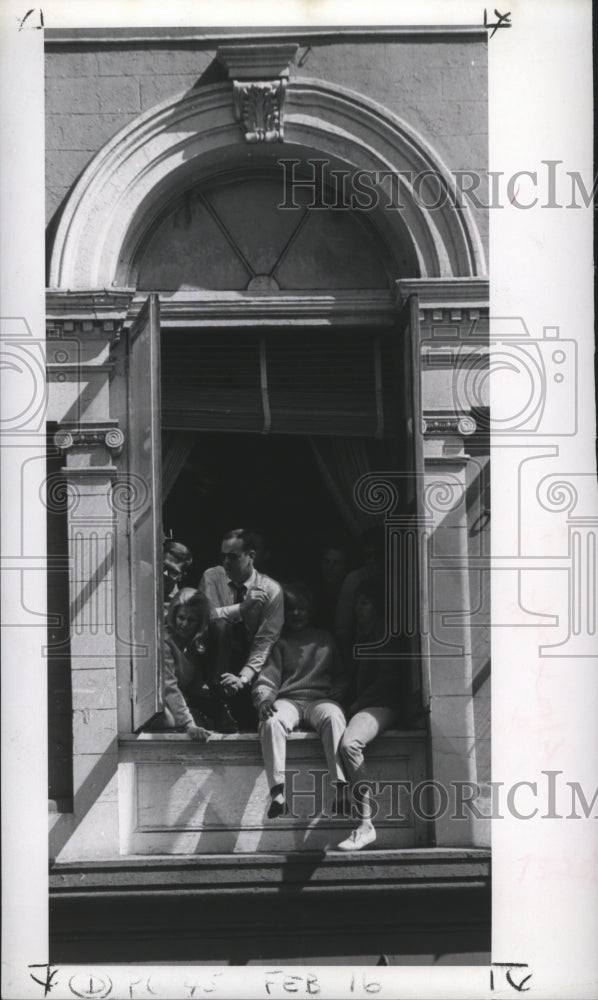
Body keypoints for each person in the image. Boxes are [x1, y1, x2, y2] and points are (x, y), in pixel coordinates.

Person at [252, 582, 348, 818]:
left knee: (334, 717)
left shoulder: (324, 639)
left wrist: (340, 688)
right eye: (291, 609)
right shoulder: (280, 642)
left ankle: (341, 790)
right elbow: (268, 676)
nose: (297, 614)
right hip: (289, 700)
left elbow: (342, 674)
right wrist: (264, 698)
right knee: (272, 721)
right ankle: (278, 793)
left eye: (302, 609)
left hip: (319, 699)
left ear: (311, 611)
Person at [336, 580, 401, 851]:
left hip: (384, 705)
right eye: (357, 603)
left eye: (365, 603)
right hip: (367, 704)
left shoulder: (383, 633)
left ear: (377, 606)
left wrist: (357, 703)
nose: (358, 609)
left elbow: (388, 680)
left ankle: (366, 824)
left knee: (350, 744)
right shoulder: (363, 634)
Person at [198, 528, 284, 730]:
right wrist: (242, 608)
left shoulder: (271, 590)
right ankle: (217, 703)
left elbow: (265, 642)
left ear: (251, 556)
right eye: (223, 556)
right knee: (221, 626)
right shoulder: (212, 576)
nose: (226, 562)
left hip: (252, 659)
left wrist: (243, 678)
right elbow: (205, 618)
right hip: (215, 656)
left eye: (232, 557)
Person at [160, 588, 214, 741]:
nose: (184, 624)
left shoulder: (196, 644)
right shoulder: (164, 642)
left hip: (184, 705)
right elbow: (169, 687)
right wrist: (189, 724)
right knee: (170, 722)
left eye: (191, 620)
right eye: (181, 617)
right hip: (163, 705)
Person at [334, 526, 385, 660]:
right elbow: (343, 629)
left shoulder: (401, 576)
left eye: (378, 554)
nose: (374, 560)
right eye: (369, 555)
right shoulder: (354, 580)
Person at [311, 543, 349, 631]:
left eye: (337, 563)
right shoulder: (312, 595)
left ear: (346, 567)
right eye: (326, 562)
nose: (330, 567)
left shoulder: (351, 597)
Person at [163, 539, 194, 608]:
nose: (164, 573)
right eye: (163, 566)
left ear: (181, 577)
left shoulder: (179, 607)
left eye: (172, 572)